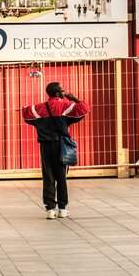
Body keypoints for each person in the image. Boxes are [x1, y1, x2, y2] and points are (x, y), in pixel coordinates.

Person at [22, 82, 90, 220]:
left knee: (48, 176)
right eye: (62, 90)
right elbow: (84, 109)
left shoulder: (39, 108)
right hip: (61, 146)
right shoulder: (65, 106)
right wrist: (73, 98)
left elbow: (26, 113)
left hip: (45, 146)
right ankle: (63, 209)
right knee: (61, 177)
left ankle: (50, 209)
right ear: (59, 93)